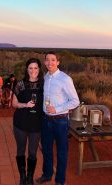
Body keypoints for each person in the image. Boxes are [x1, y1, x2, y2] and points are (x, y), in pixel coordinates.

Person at [35, 51, 80, 185]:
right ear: (44, 62)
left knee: (61, 153)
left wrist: (57, 109)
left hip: (60, 121)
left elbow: (75, 101)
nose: (50, 62)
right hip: (46, 120)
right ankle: (47, 175)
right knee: (47, 150)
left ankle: (60, 181)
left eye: (53, 60)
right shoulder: (46, 77)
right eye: (47, 60)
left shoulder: (65, 79)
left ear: (58, 62)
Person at [12, 58, 44, 185]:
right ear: (27, 69)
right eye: (30, 68)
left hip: (36, 124)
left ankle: (30, 176)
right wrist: (25, 105)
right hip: (21, 123)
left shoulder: (44, 84)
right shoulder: (20, 84)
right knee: (20, 150)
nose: (33, 71)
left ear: (39, 69)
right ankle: (22, 176)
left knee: (32, 152)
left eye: (35, 68)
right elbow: (14, 103)